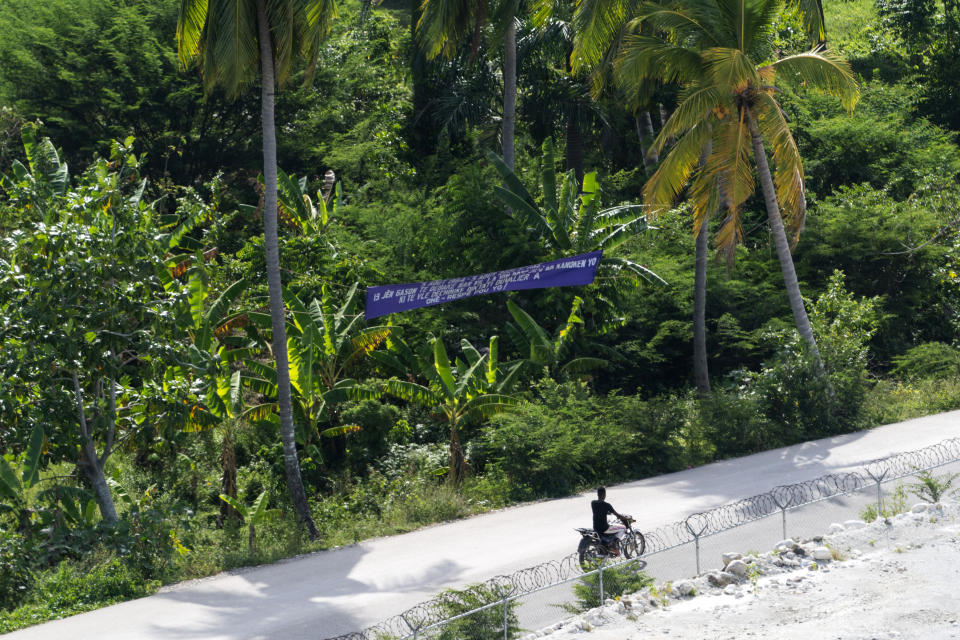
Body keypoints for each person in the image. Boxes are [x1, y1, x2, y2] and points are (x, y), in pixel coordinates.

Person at [591, 487, 630, 552]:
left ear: (597, 494)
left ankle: (609, 542)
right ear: (604, 494)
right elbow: (618, 515)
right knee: (623, 528)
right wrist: (626, 518)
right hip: (604, 528)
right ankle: (613, 545)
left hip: (596, 527)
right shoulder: (607, 505)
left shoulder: (593, 503)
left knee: (611, 524)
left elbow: (599, 510)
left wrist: (607, 512)